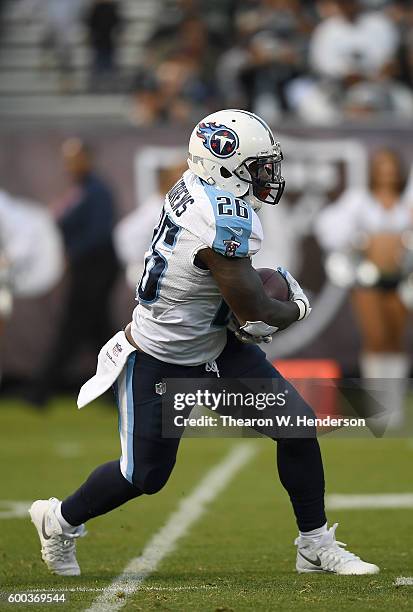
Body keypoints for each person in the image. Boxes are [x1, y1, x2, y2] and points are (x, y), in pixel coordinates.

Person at [29, 110, 378, 577]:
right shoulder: (222, 218)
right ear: (226, 165)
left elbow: (227, 292)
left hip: (212, 347)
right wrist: (295, 307)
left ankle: (314, 544)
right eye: (259, 167)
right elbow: (254, 311)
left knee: (296, 427)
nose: (269, 177)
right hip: (161, 356)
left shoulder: (197, 185)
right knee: (144, 476)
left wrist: (243, 306)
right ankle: (58, 521)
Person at [315, 148, 413, 427]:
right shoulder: (359, 200)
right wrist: (359, 242)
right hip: (368, 278)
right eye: (382, 166)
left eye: (391, 166)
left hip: (401, 278)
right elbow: (328, 227)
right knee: (375, 340)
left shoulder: (406, 201)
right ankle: (377, 407)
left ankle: (394, 409)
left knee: (396, 341)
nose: (387, 172)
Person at [29, 138, 119, 406]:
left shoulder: (97, 191)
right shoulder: (81, 191)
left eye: (74, 159)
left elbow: (97, 235)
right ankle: (114, 391)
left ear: (87, 159)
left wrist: (70, 251)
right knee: (97, 331)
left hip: (96, 268)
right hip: (88, 268)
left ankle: (40, 390)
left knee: (75, 328)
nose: (69, 165)